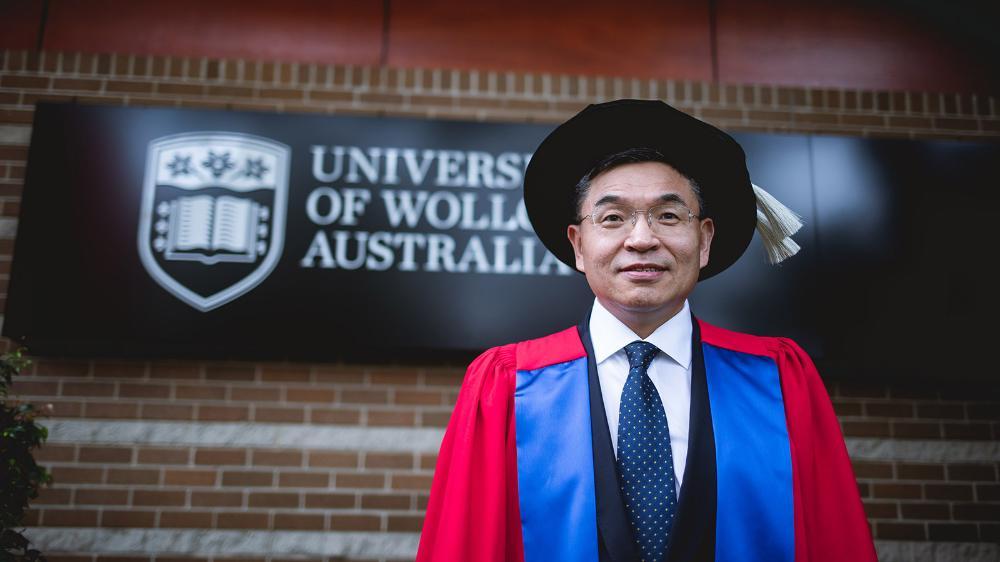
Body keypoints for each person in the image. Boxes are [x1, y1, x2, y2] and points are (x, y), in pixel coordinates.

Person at [415, 99, 876, 562]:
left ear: (705, 241)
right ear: (577, 244)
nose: (641, 238)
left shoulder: (779, 379)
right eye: (613, 218)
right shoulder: (505, 386)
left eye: (669, 216)